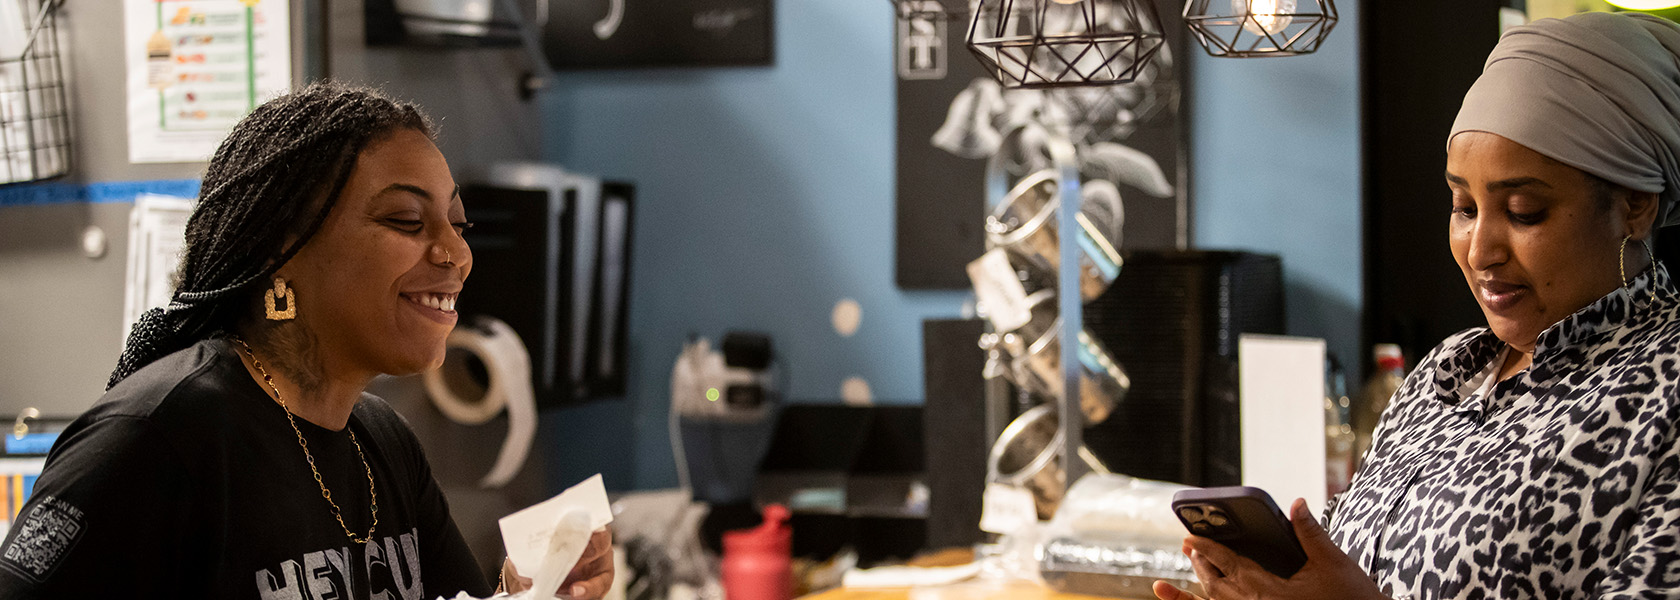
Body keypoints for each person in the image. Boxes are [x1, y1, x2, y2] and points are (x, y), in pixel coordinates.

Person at [0, 82, 612, 599]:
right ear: (281, 251)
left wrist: (529, 592)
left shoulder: (384, 442)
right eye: (406, 220)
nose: (457, 254)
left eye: (457, 223)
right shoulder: (153, 438)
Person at [1154, 11, 1680, 600]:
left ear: (1635, 205)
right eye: (1464, 206)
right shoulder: (1446, 372)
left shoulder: (1666, 394)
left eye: (1524, 211)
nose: (1480, 251)